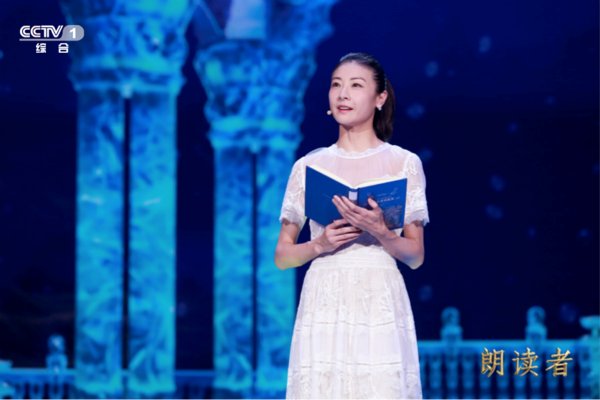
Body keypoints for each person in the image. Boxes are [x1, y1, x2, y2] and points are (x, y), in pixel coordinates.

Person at [275, 52, 429, 399]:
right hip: (325, 296)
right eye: (336, 85)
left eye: (356, 85)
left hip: (379, 297)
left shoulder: (403, 163)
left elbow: (416, 255)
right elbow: (283, 256)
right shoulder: (308, 166)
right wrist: (319, 245)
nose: (343, 94)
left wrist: (381, 231)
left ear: (380, 98)